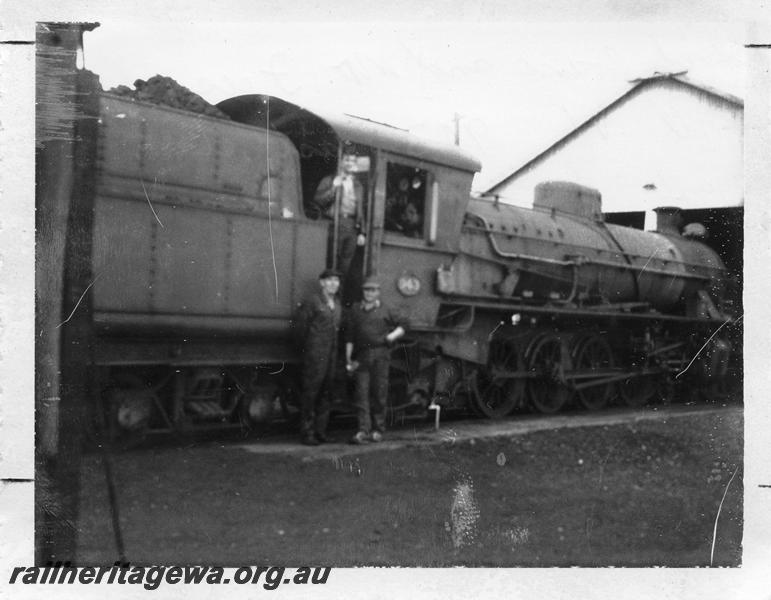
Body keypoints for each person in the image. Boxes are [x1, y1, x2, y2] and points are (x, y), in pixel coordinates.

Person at [344, 277, 407, 444]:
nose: (369, 293)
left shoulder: (387, 309)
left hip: (381, 356)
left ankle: (378, 430)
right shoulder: (355, 310)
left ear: (378, 293)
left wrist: (391, 337)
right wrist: (348, 359)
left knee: (379, 394)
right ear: (363, 292)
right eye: (366, 290)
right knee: (361, 394)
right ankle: (363, 430)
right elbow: (349, 336)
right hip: (361, 357)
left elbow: (404, 324)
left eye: (373, 291)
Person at [295, 268, 343, 446]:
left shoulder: (336, 303)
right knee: (310, 394)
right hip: (315, 356)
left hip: (331, 357)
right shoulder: (313, 301)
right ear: (322, 282)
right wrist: (309, 350)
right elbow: (300, 329)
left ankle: (320, 432)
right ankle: (307, 433)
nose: (333, 284)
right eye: (329, 280)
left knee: (326, 394)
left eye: (336, 281)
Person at [312, 153, 367, 279]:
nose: (349, 163)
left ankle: (338, 295)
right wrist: (333, 187)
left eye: (353, 161)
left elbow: (360, 210)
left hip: (351, 225)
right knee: (331, 262)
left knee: (345, 265)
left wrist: (361, 232)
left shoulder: (358, 186)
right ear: (341, 161)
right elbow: (318, 200)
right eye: (347, 159)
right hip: (334, 223)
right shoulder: (330, 180)